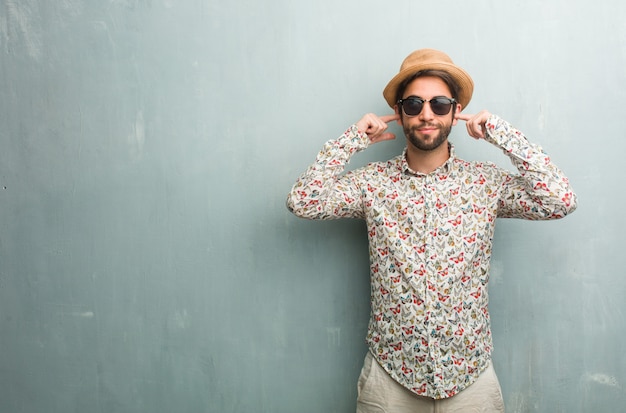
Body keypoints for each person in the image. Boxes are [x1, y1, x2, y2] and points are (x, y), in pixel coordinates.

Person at [286, 48, 577, 412]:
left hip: (470, 380)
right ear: (399, 113)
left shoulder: (486, 184)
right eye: (413, 104)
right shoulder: (371, 184)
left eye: (439, 104)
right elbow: (304, 202)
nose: (427, 114)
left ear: (455, 112)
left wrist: (501, 134)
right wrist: (352, 139)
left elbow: (559, 200)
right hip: (390, 378)